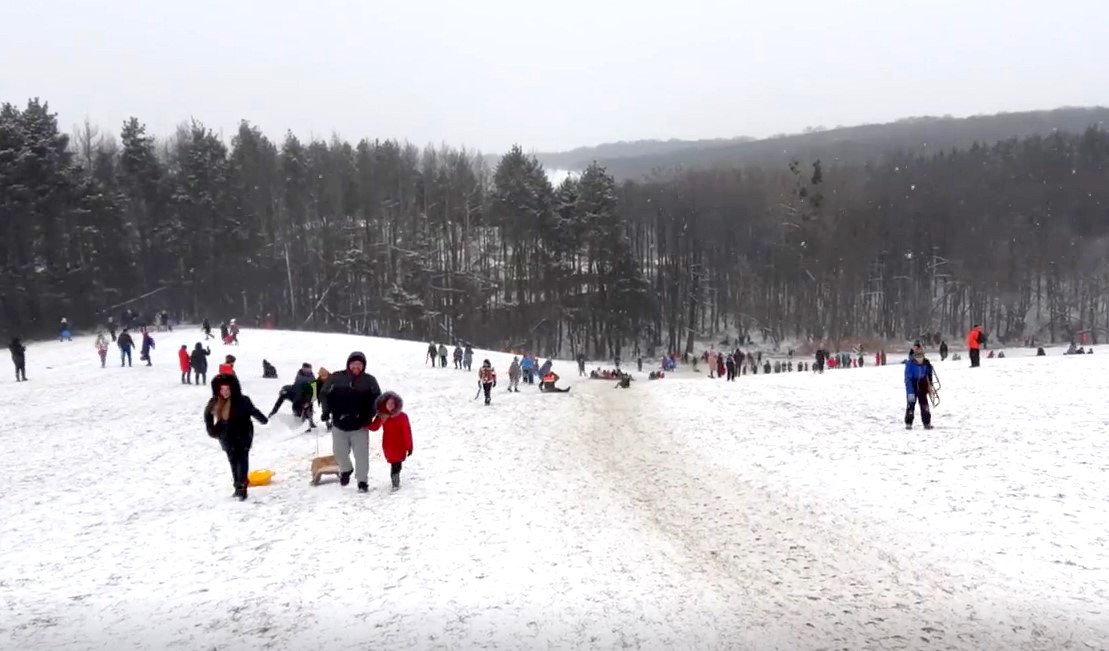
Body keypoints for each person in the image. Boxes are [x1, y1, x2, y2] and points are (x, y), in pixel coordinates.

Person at [320, 351, 381, 493]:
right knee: (339, 451)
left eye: (359, 364)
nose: (356, 366)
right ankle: (346, 469)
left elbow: (377, 399)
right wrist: (325, 411)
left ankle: (362, 481)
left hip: (360, 426)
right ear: (349, 364)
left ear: (363, 366)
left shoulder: (370, 380)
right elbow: (324, 393)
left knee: (361, 456)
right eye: (354, 363)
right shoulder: (336, 377)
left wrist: (371, 415)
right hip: (339, 424)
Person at [204, 373, 268, 500]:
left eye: (227, 389)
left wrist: (263, 420)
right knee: (233, 461)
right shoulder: (215, 402)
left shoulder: (243, 400)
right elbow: (207, 416)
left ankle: (242, 488)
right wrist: (212, 429)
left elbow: (253, 411)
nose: (225, 392)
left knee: (242, 461)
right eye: (222, 389)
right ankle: (237, 487)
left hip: (243, 434)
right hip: (226, 437)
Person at [369, 391, 413, 491]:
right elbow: (375, 427)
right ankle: (395, 481)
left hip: (400, 444)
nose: (390, 406)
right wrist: (364, 424)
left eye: (392, 404)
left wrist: (409, 447)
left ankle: (395, 479)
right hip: (388, 444)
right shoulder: (382, 416)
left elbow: (407, 432)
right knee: (394, 462)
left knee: (398, 463)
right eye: (388, 404)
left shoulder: (402, 417)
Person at [904, 343, 935, 430]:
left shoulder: (926, 364)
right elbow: (908, 379)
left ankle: (927, 422)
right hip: (912, 387)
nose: (920, 359)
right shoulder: (910, 365)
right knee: (910, 405)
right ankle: (909, 423)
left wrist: (929, 384)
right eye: (918, 357)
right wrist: (910, 391)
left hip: (922, 386)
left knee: (925, 405)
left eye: (921, 356)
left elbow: (929, 375)